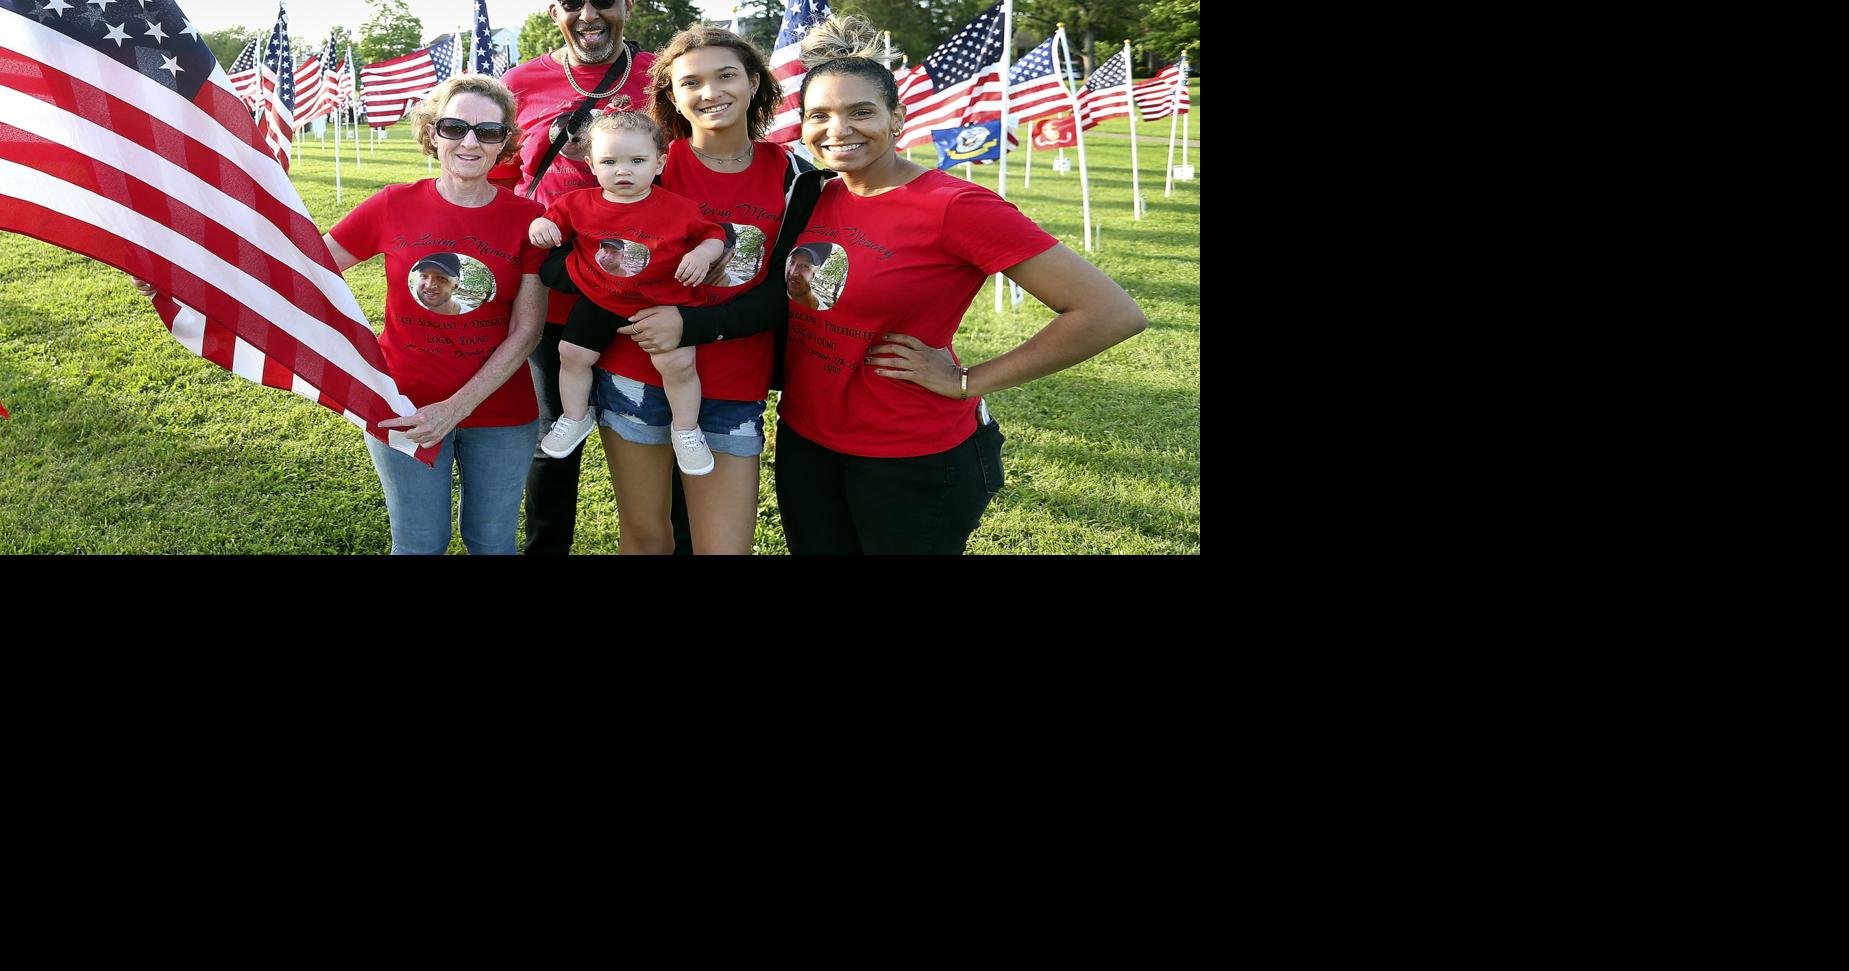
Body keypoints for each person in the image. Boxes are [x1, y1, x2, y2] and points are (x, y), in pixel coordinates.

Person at [774, 17, 1148, 554]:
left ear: (897, 118)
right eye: (820, 115)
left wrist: (968, 379)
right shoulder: (816, 194)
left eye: (861, 112)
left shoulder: (954, 206)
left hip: (908, 454)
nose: (838, 130)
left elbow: (1110, 312)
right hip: (805, 440)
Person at [585, 24, 810, 554]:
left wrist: (692, 325)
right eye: (691, 82)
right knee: (646, 539)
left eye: (726, 76)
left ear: (755, 82)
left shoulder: (796, 177)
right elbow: (598, 264)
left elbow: (786, 294)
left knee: (724, 547)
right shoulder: (649, 167)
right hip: (637, 374)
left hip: (734, 383)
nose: (710, 93)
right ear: (672, 95)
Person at [322, 75, 548, 554]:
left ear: (505, 142)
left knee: (493, 543)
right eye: (454, 127)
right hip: (403, 406)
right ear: (432, 132)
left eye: (488, 132)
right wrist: (189, 278)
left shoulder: (528, 221)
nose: (470, 142)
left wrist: (455, 409)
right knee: (419, 542)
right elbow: (303, 268)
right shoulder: (392, 204)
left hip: (502, 411)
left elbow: (526, 331)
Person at [503, 0, 656, 554]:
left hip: (645, 294)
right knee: (556, 435)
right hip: (554, 295)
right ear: (554, 11)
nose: (589, 13)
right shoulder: (520, 82)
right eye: (572, 3)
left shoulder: (661, 76)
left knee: (655, 432)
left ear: (628, 7)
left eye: (604, 1)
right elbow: (500, 181)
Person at [527, 111, 729, 476]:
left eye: (637, 161)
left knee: (678, 365)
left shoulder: (677, 209)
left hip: (660, 302)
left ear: (659, 162)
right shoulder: (579, 203)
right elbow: (553, 219)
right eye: (609, 161)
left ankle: (685, 428)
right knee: (571, 354)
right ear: (590, 164)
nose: (623, 171)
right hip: (600, 297)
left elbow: (712, 235)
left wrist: (702, 254)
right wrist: (542, 225)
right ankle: (574, 417)